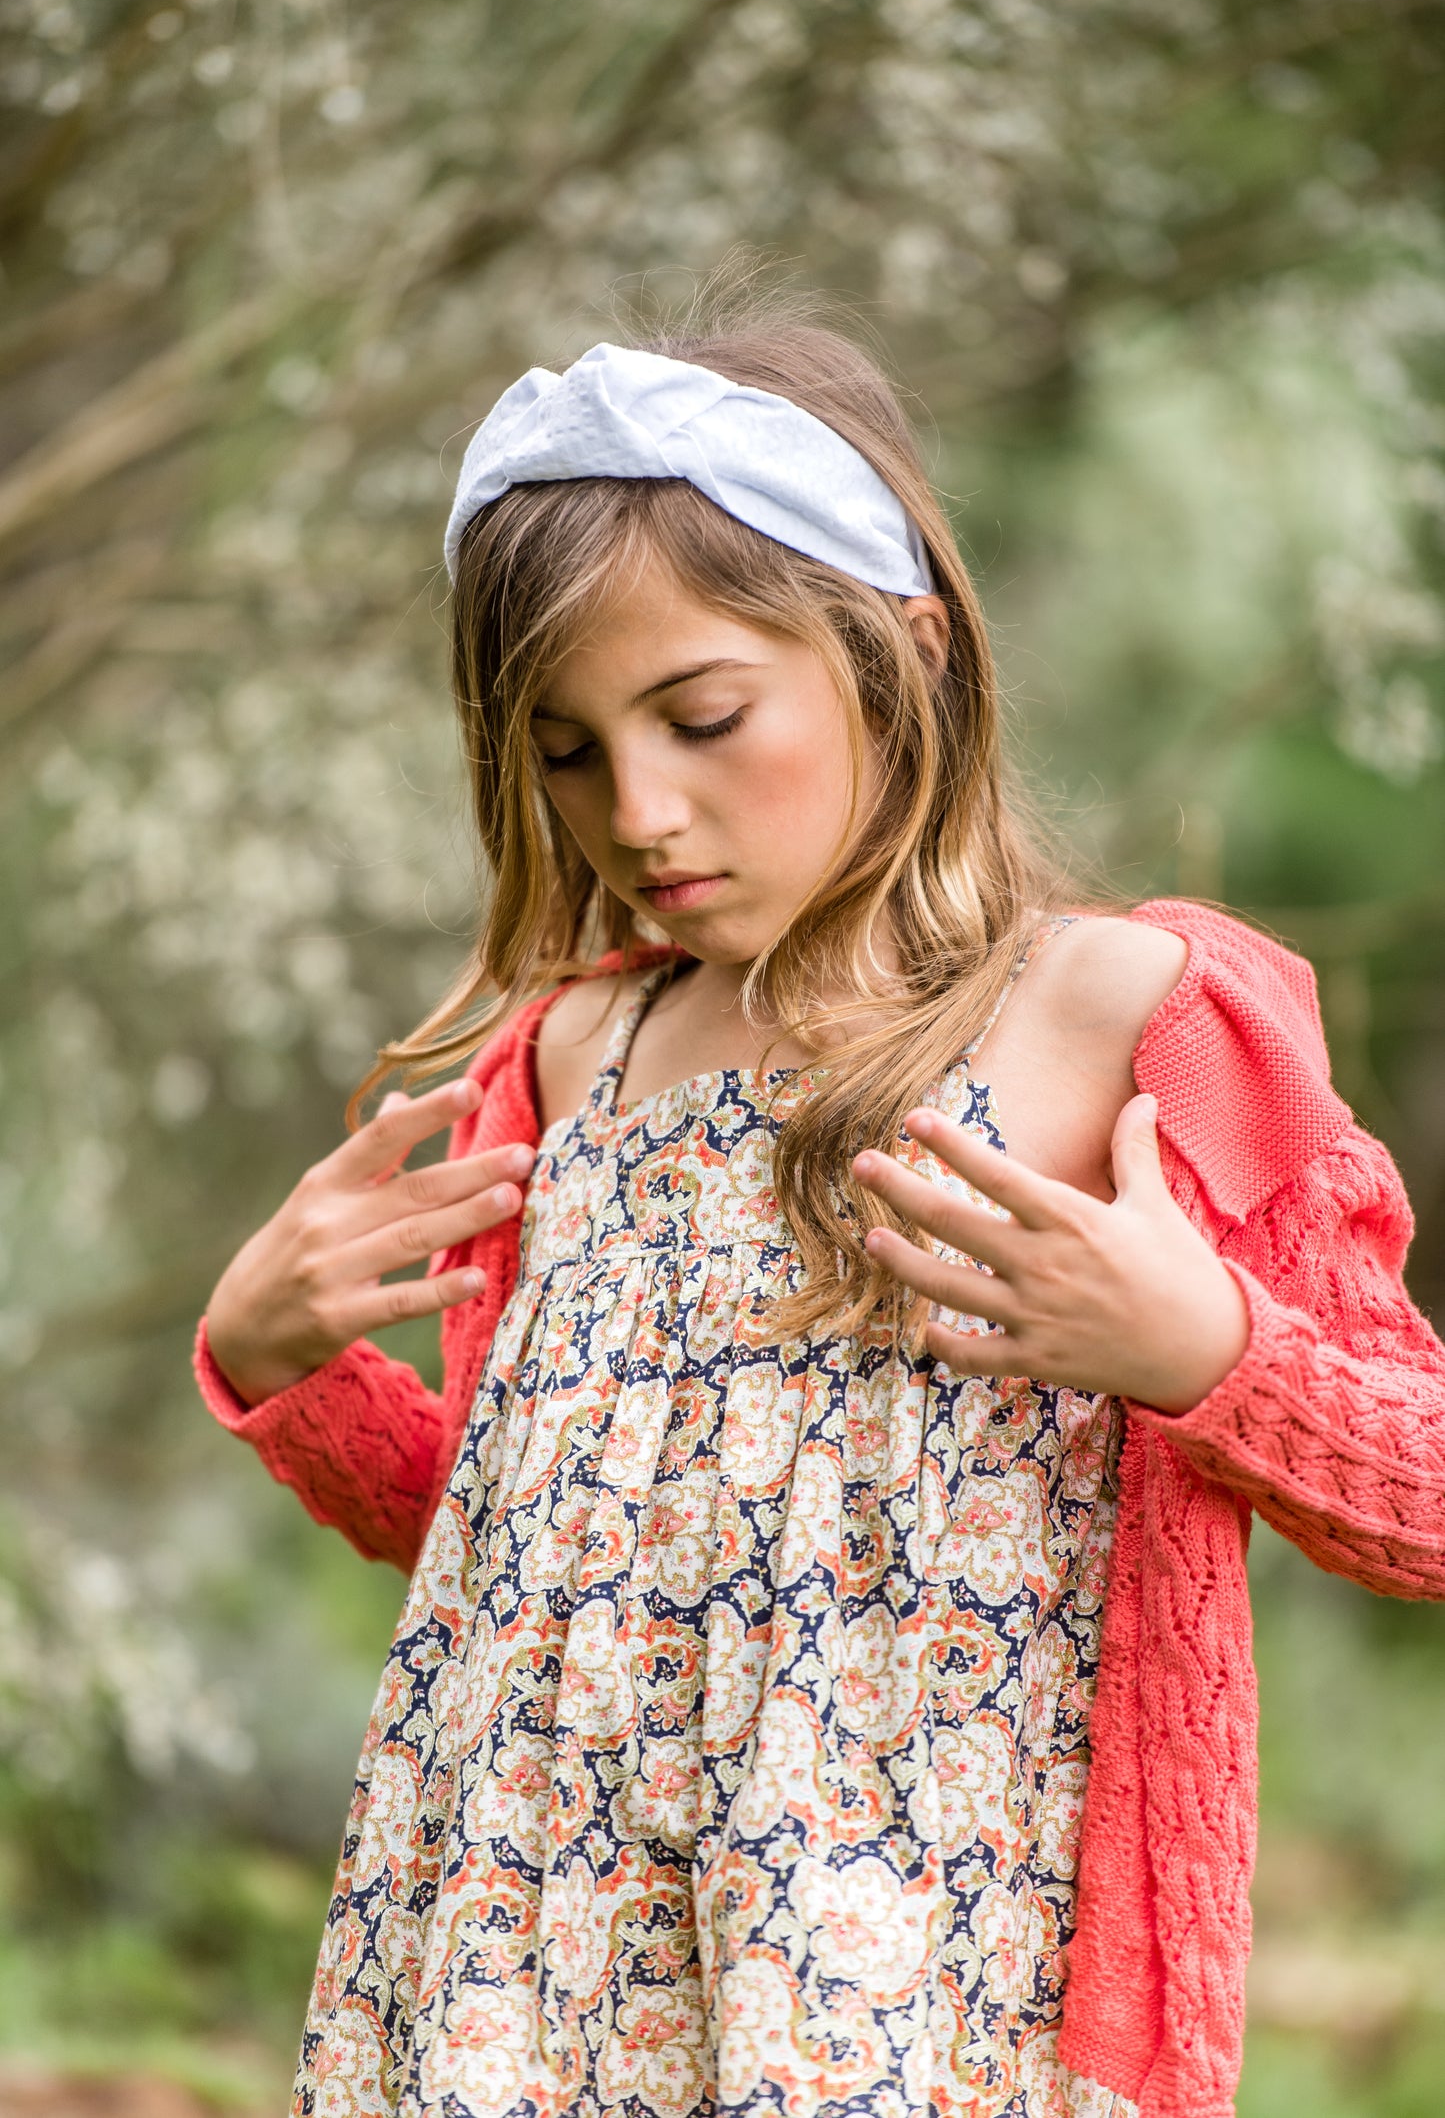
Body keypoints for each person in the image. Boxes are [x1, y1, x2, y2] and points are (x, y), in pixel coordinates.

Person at [195, 311, 1445, 2118]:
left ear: (897, 655)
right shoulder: (565, 1065)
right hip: (509, 1976)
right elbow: (545, 1579)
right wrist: (276, 1361)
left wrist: (1204, 1353)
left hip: (901, 1983)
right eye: (563, 751)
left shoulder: (1122, 1020)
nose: (637, 809)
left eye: (703, 716)